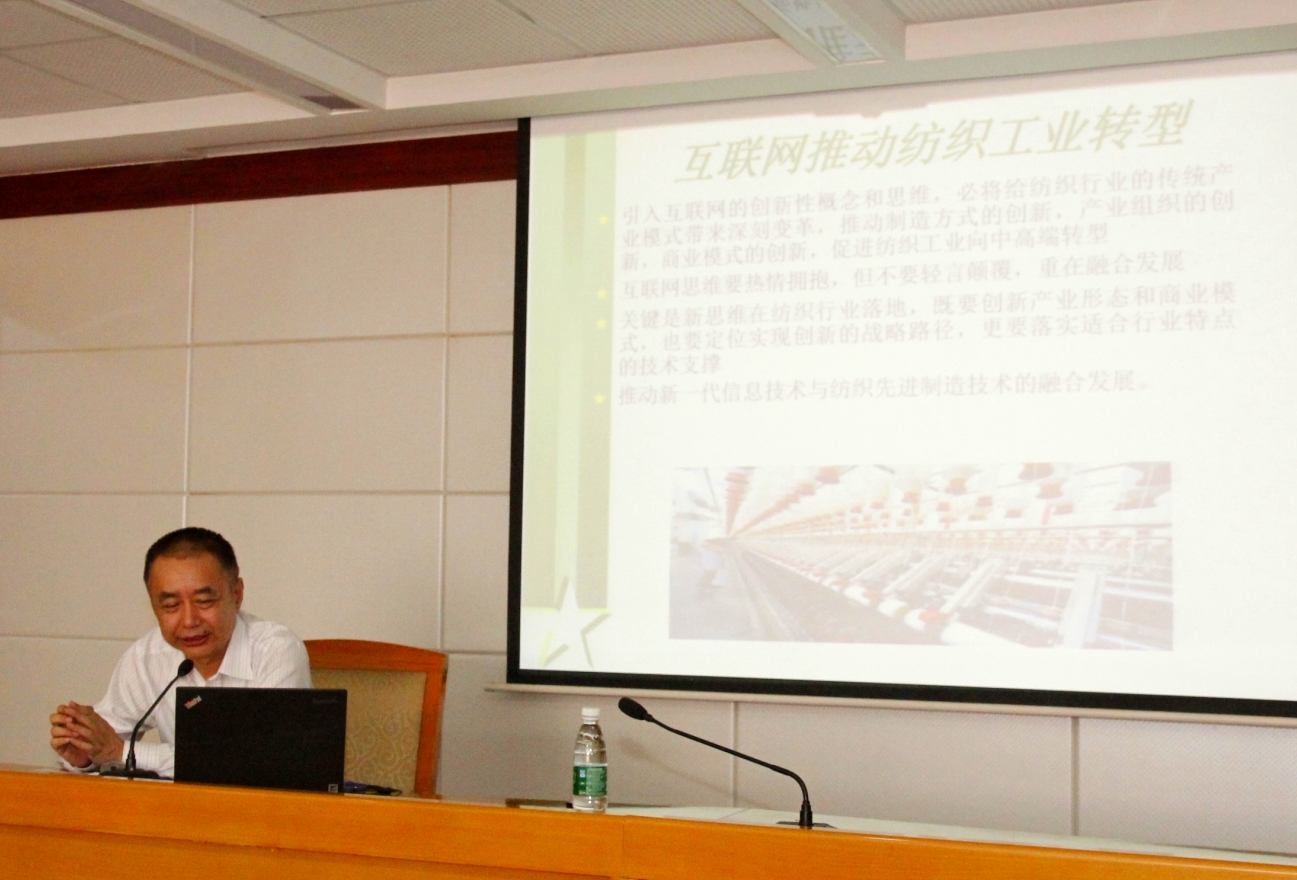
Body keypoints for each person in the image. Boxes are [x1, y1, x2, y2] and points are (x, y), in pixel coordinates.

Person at [49, 527, 311, 778]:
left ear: (237, 594)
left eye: (204, 601)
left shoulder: (276, 651)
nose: (189, 621)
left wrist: (123, 753)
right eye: (171, 605)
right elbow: (105, 742)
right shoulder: (149, 657)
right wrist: (85, 754)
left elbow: (260, 761)